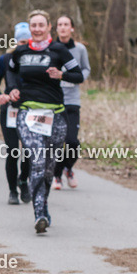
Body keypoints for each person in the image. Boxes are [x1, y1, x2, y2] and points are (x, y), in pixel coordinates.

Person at [7, 9, 84, 233]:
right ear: (29, 28)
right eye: (34, 25)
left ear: (48, 27)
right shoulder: (20, 51)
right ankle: (39, 213)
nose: (38, 29)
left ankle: (44, 204)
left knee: (48, 169)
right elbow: (11, 73)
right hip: (28, 113)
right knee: (38, 160)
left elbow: (78, 75)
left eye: (41, 25)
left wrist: (62, 75)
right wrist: (12, 89)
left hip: (56, 115)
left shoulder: (59, 50)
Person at [0, 22, 31, 205]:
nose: (24, 44)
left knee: (29, 150)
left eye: (27, 41)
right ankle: (12, 190)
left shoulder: (34, 59)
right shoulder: (5, 59)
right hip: (9, 110)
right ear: (16, 41)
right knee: (13, 151)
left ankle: (24, 180)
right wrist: (0, 96)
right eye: (21, 41)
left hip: (29, 109)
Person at [52, 15, 90, 189]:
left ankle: (68, 168)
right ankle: (57, 176)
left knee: (72, 142)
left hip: (72, 100)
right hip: (54, 100)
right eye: (60, 24)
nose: (63, 27)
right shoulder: (51, 48)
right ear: (55, 28)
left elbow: (85, 69)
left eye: (66, 24)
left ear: (72, 28)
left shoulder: (80, 49)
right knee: (57, 142)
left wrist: (78, 78)